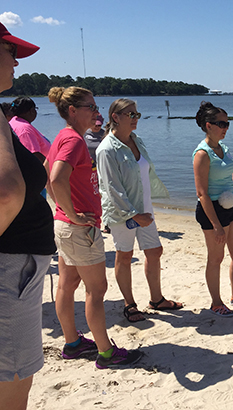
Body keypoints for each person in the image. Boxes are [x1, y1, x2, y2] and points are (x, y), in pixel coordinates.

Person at [45, 86, 141, 369]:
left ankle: (73, 343)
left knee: (68, 283)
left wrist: (62, 209)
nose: (97, 112)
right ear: (72, 111)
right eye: (90, 107)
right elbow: (57, 177)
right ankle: (106, 352)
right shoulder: (74, 140)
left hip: (64, 225)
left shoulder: (62, 136)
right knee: (96, 289)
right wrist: (74, 214)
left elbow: (47, 175)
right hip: (77, 228)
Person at [0, 24, 55, 410]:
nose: (17, 60)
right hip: (11, 267)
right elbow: (6, 194)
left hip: (14, 264)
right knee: (14, 381)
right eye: (10, 50)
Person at [96, 98, 181, 323]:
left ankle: (156, 299)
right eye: (130, 114)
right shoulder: (107, 149)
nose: (135, 119)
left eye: (137, 114)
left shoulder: (137, 140)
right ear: (115, 117)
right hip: (122, 213)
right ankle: (130, 304)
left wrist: (144, 211)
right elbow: (111, 188)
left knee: (154, 251)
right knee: (124, 256)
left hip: (144, 209)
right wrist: (134, 215)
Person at [193, 101, 233, 317]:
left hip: (230, 206)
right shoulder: (202, 154)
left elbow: (230, 182)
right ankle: (216, 302)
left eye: (227, 123)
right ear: (208, 125)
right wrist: (216, 225)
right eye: (222, 124)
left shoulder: (224, 149)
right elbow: (201, 193)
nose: (226, 128)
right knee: (216, 258)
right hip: (212, 211)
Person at [9, 97, 51, 164]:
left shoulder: (15, 122)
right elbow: (34, 156)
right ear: (32, 110)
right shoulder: (24, 129)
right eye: (35, 109)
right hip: (39, 172)